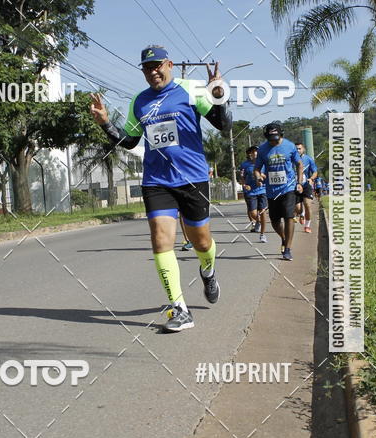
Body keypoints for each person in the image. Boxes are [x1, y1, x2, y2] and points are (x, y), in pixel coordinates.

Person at [90, 45, 232, 332]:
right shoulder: (139, 102)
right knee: (160, 238)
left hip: (192, 178)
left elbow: (223, 125)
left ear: (168, 64)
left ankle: (208, 270)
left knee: (201, 241)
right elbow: (130, 141)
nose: (153, 71)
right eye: (146, 67)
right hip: (157, 180)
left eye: (157, 65)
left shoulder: (191, 90)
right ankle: (178, 308)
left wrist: (217, 96)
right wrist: (106, 124)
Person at [254, 122, 303, 261]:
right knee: (275, 221)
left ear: (281, 134)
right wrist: (258, 177)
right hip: (271, 190)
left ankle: (287, 248)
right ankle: (283, 238)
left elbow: (299, 164)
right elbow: (257, 169)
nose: (273, 141)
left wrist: (299, 183)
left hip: (288, 187)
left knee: (288, 216)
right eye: (271, 139)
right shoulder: (263, 149)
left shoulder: (289, 146)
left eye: (276, 138)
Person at [239, 145, 267, 243]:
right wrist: (245, 185)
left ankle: (263, 234)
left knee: (263, 212)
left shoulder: (264, 164)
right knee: (253, 213)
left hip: (263, 190)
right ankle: (258, 222)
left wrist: (261, 176)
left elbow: (268, 176)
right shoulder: (244, 165)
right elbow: (242, 178)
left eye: (256, 151)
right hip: (251, 192)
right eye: (252, 151)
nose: (255, 153)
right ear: (249, 154)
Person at [294, 142, 317, 233]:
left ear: (303, 149)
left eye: (299, 148)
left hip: (306, 184)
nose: (298, 150)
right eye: (296, 149)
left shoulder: (308, 159)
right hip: (295, 185)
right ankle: (301, 214)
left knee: (307, 205)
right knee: (298, 208)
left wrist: (311, 178)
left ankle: (307, 226)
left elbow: (315, 172)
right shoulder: (291, 159)